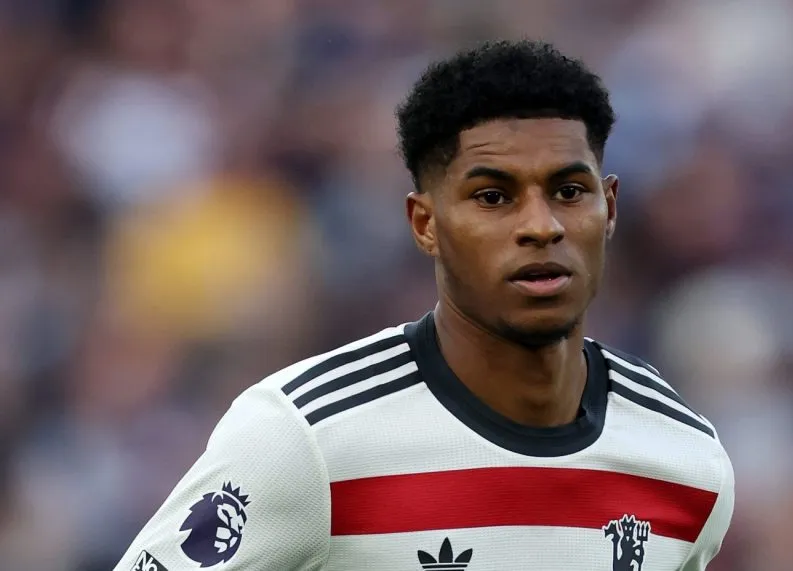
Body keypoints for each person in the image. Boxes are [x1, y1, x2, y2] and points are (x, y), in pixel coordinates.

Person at [114, 39, 734, 571]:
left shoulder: (684, 461)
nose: (541, 226)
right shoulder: (306, 440)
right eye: (493, 197)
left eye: (569, 191)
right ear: (425, 223)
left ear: (610, 209)